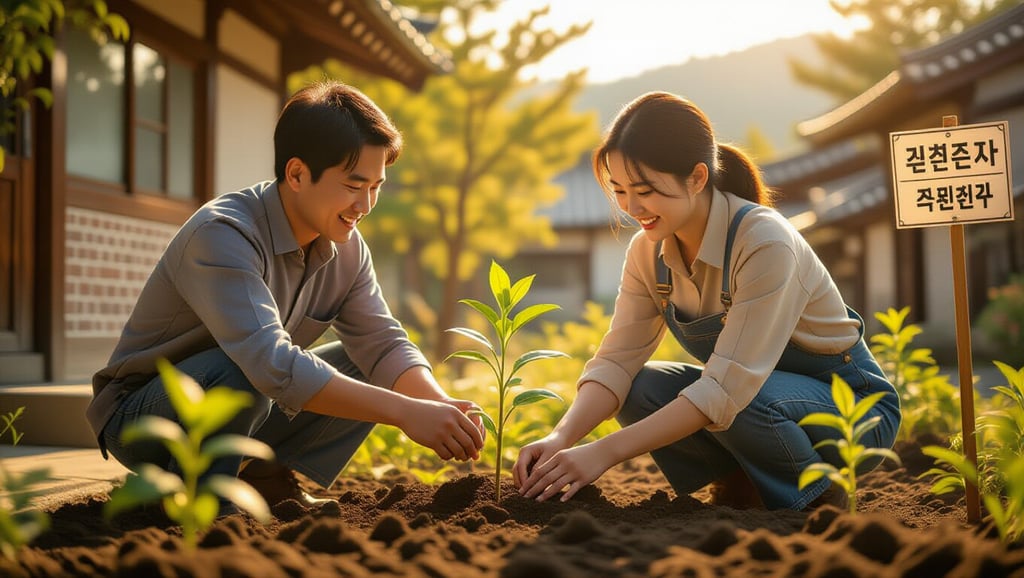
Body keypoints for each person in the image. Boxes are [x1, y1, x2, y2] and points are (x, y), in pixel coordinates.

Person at [87, 81, 484, 513]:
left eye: (376, 186)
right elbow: (270, 363)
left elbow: (383, 342)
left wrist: (436, 404)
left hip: (247, 393)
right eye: (354, 186)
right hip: (144, 416)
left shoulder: (347, 245)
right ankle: (202, 502)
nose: (366, 205)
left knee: (363, 366)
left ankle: (264, 478)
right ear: (296, 174)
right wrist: (405, 414)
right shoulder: (222, 234)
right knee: (242, 371)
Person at [513, 92, 901, 510]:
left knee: (742, 397)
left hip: (852, 410)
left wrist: (603, 452)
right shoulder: (648, 252)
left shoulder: (764, 242)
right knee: (640, 387)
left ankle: (817, 496)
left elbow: (726, 388)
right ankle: (742, 479)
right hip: (755, 398)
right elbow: (615, 362)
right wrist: (561, 438)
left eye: (645, 190)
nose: (631, 208)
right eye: (620, 190)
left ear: (697, 178)